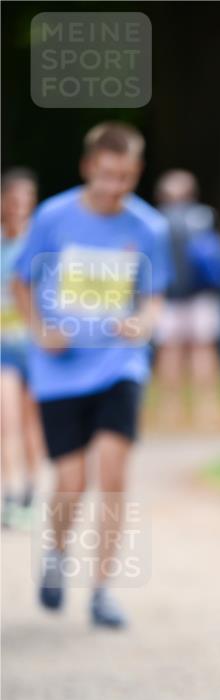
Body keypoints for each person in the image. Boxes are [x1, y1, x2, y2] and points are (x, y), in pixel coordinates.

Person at [12, 122, 170, 628]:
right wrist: (40, 329)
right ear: (87, 168)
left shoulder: (149, 227)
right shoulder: (52, 216)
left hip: (118, 364)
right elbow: (20, 280)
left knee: (112, 471)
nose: (114, 187)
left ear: (137, 172)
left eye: (124, 177)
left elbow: (154, 296)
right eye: (105, 175)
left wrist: (142, 323)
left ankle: (101, 590)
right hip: (59, 369)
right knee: (71, 481)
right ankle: (56, 555)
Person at [154, 170, 220, 429]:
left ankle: (172, 409)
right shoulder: (204, 217)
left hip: (169, 296)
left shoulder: (155, 221)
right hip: (200, 295)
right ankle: (206, 408)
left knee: (171, 350)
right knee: (202, 349)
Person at [1, 168, 43, 528]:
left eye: (26, 200)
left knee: (32, 424)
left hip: (35, 347)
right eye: (13, 200)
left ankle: (32, 490)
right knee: (6, 420)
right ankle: (10, 494)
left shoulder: (41, 242)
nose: (19, 207)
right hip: (4, 347)